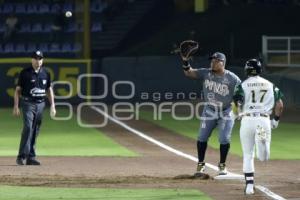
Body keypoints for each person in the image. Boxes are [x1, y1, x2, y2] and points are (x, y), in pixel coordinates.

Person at [181, 52, 241, 176]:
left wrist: (237, 111)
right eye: (212, 60)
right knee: (202, 137)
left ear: (222, 63)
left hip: (226, 111)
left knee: (224, 138)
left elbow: (239, 96)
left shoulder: (233, 78)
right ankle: (201, 164)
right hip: (209, 110)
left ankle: (222, 165)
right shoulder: (206, 73)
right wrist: (185, 61)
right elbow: (189, 72)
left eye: (215, 60)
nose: (212, 63)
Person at [233, 58, 283, 195]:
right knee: (263, 157)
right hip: (263, 120)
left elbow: (236, 103)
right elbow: (280, 105)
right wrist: (276, 120)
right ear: (260, 70)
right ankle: (262, 142)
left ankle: (249, 186)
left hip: (247, 120)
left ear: (246, 70)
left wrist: (237, 114)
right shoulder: (270, 85)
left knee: (248, 154)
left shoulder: (242, 85)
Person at [13, 51, 56, 165]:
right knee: (28, 127)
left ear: (43, 60)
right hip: (28, 103)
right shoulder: (25, 73)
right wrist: (16, 106)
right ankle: (21, 156)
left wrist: (53, 105)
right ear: (31, 60)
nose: (38, 61)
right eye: (36, 58)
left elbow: (49, 89)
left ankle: (30, 157)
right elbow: (18, 91)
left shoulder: (46, 73)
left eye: (40, 58)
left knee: (35, 130)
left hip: (41, 104)